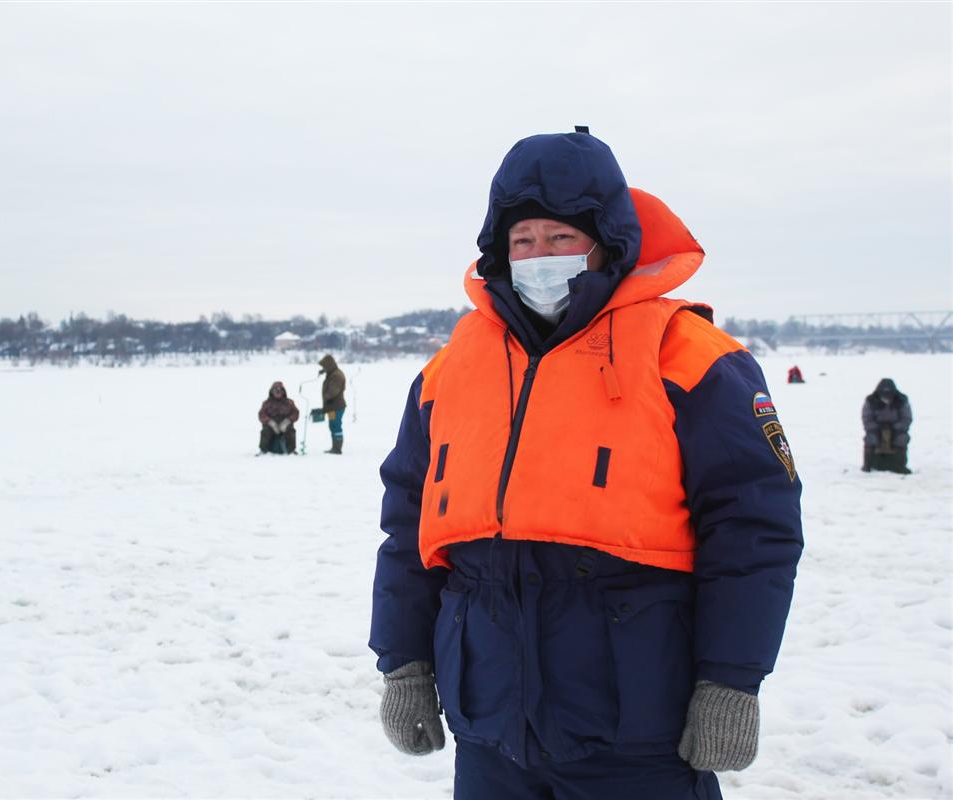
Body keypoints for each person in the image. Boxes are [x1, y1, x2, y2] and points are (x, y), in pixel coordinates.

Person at [369, 131, 804, 799]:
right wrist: (403, 664)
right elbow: (408, 528)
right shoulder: (448, 372)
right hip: (488, 730)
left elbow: (754, 528)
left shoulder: (687, 356)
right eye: (523, 242)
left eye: (560, 239)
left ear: (606, 242)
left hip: (636, 733)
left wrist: (731, 679)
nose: (539, 256)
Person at [862, 378, 912, 474]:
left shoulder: (902, 400)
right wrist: (876, 428)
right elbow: (867, 418)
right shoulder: (870, 400)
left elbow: (906, 418)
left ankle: (899, 465)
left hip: (896, 428)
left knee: (901, 439)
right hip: (876, 428)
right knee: (871, 438)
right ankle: (868, 464)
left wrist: (896, 428)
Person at [258, 380, 300, 454]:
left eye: (280, 390)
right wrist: (270, 422)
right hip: (271, 426)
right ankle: (263, 450)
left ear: (283, 392)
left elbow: (295, 413)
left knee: (291, 430)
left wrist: (288, 421)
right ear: (271, 392)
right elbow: (261, 414)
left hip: (285, 426)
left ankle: (291, 450)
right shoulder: (266, 403)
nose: (278, 392)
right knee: (265, 431)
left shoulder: (289, 402)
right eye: (275, 390)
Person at [318, 354, 346, 454]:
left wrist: (326, 395)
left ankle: (337, 448)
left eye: (324, 367)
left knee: (336, 426)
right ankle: (334, 447)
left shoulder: (336, 375)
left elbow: (333, 391)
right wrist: (324, 372)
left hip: (336, 407)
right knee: (333, 425)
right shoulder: (333, 373)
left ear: (329, 365)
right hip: (332, 407)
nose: (323, 368)